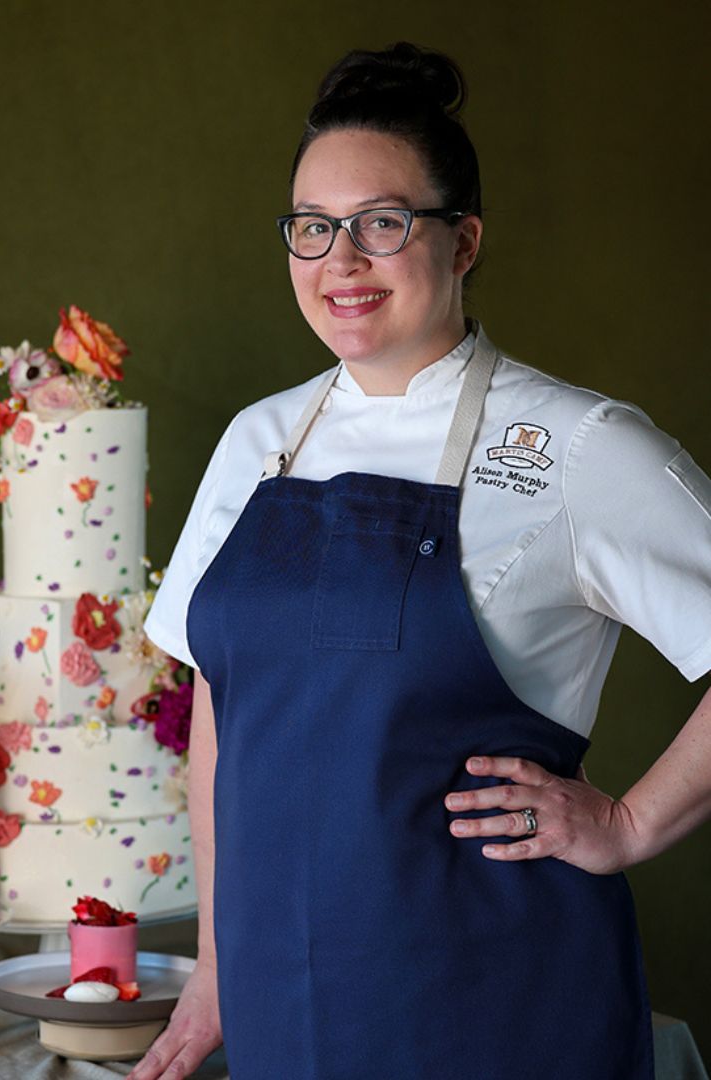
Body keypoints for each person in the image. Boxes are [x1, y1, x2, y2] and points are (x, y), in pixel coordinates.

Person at [130, 41, 711, 1080]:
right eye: (313, 229)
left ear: (465, 239)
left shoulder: (580, 447)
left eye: (382, 224)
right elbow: (224, 714)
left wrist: (627, 823)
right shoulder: (257, 441)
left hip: (495, 1000)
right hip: (282, 996)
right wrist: (217, 967)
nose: (340, 262)